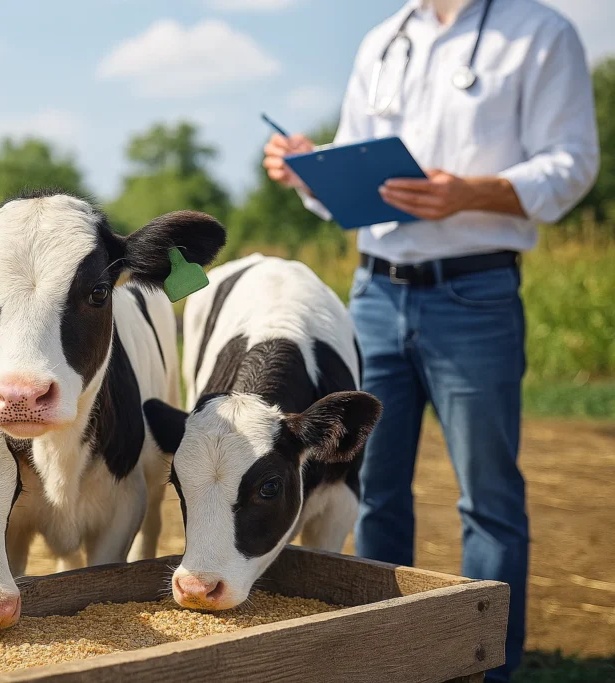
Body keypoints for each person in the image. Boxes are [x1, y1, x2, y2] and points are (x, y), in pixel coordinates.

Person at [262, 0, 599, 680]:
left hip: (475, 294)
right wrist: (310, 171)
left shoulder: (541, 33)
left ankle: (489, 665)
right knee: (375, 487)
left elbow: (573, 164)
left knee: (489, 497)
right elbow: (355, 182)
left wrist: (473, 193)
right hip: (375, 294)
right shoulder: (383, 40)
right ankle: (401, 657)